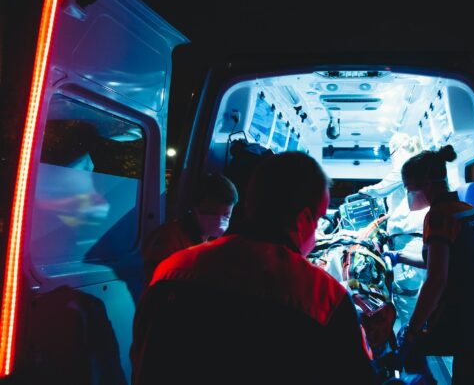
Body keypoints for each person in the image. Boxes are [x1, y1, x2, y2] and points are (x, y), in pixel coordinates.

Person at [131, 152, 379, 384]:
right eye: (318, 219)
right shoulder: (325, 296)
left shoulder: (171, 269)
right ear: (303, 219)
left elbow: (141, 358)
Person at [383, 145, 474, 385]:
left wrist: (412, 330)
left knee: (412, 347)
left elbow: (436, 280)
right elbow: (442, 261)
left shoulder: (438, 216)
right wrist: (399, 256)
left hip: (466, 321)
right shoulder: (465, 211)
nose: (408, 195)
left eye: (408, 188)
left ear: (426, 184)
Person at [358, 133, 427, 328]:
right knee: (412, 294)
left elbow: (381, 189)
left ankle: (410, 341)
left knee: (406, 295)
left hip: (408, 237)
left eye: (391, 152)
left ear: (396, 149)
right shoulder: (416, 165)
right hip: (412, 235)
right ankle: (413, 336)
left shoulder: (405, 165)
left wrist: (364, 190)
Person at [141, 173, 238, 284]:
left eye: (226, 215)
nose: (220, 221)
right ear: (194, 208)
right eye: (211, 213)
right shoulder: (168, 238)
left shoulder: (209, 240)